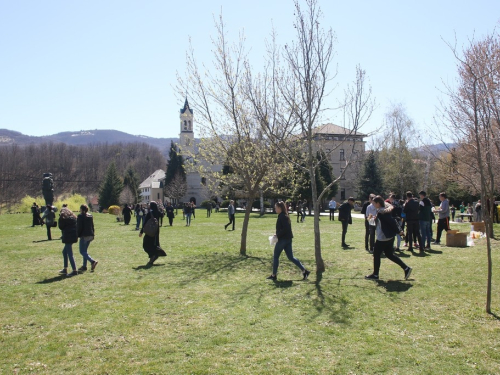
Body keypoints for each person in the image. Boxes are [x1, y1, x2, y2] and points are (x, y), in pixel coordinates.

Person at [365, 196, 413, 281]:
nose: (373, 204)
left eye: (374, 203)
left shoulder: (382, 212)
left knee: (376, 254)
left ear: (378, 203)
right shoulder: (383, 210)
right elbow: (383, 222)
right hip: (389, 236)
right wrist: (372, 219)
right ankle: (406, 268)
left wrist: (399, 231)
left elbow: (392, 222)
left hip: (383, 237)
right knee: (389, 254)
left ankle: (375, 274)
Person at [266, 201, 310, 281]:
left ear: (279, 208)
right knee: (291, 257)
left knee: (276, 256)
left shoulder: (282, 216)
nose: (275, 209)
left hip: (283, 240)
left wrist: (277, 235)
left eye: (276, 208)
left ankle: (274, 275)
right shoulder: (285, 215)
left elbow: (285, 229)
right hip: (288, 239)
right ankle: (304, 271)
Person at [77, 204, 98, 272]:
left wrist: (77, 235)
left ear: (82, 210)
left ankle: (92, 261)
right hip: (90, 235)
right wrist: (93, 234)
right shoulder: (90, 216)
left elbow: (79, 227)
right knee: (85, 251)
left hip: (84, 235)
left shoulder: (80, 216)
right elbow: (92, 226)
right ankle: (84, 266)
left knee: (82, 251)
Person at [58, 208, 79, 277]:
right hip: (73, 236)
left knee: (70, 254)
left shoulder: (64, 219)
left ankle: (74, 270)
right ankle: (65, 268)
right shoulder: (73, 218)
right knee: (64, 252)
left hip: (67, 237)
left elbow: (61, 227)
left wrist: (60, 219)